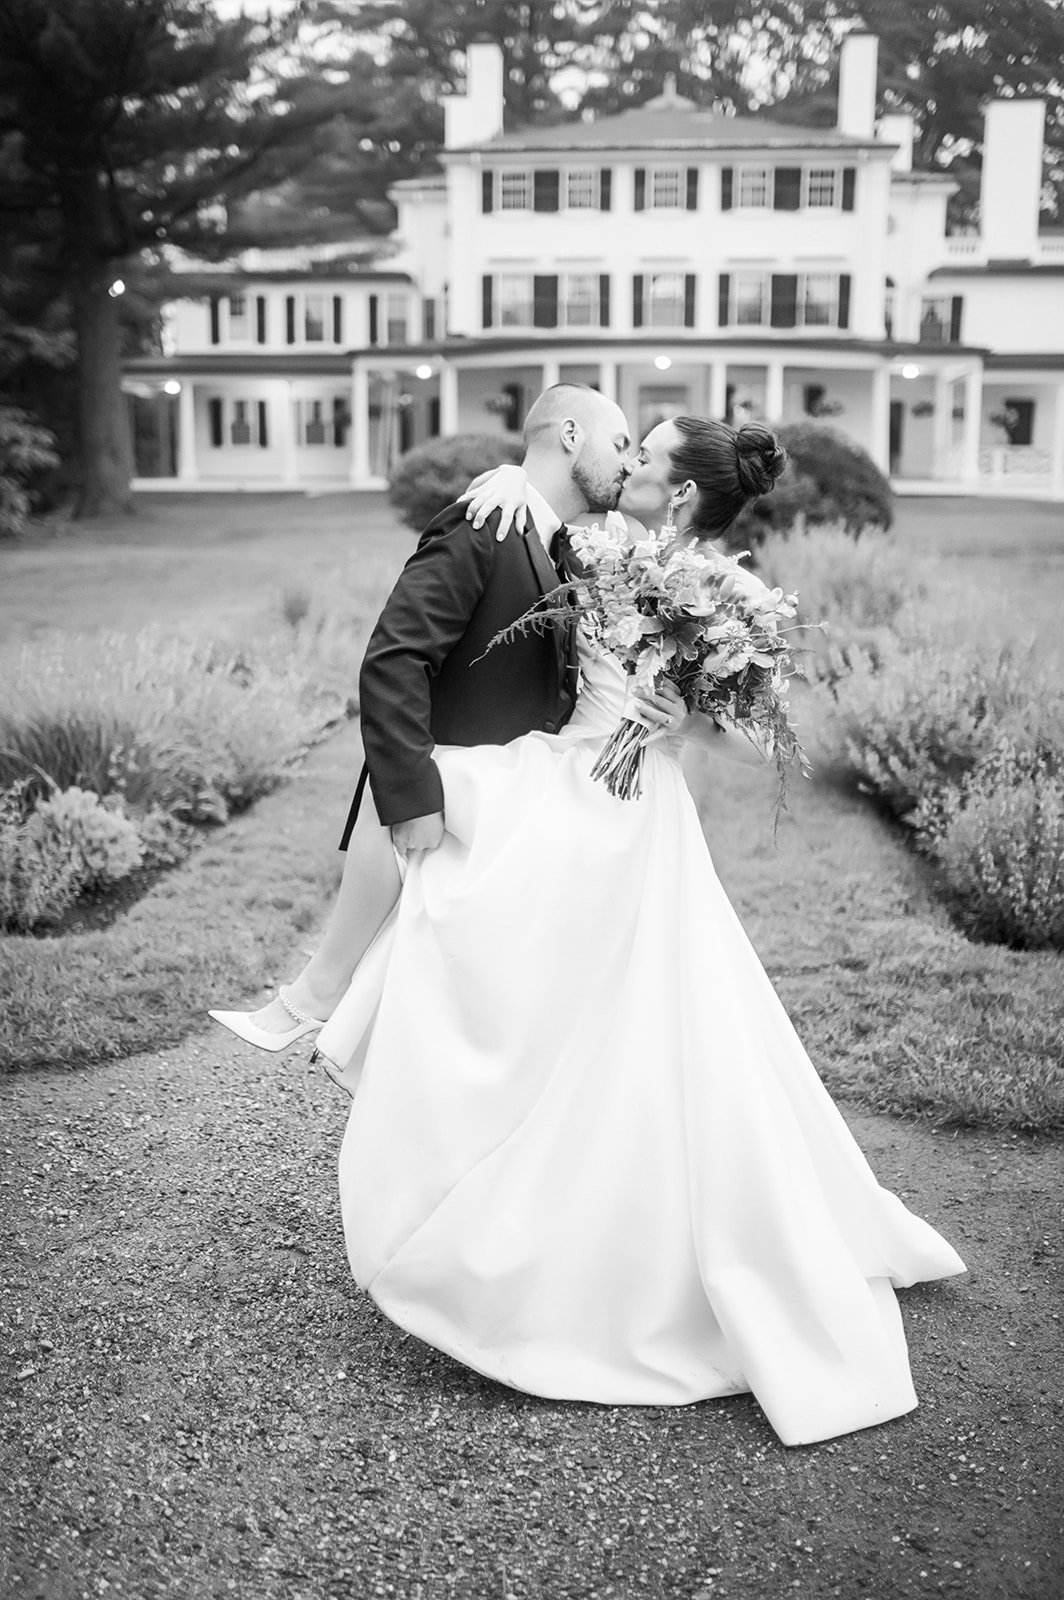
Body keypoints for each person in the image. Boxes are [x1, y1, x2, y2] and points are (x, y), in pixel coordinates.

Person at [315, 412, 966, 1449]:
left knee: (604, 1002)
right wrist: (498, 476)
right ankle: (361, 1020)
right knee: (539, 965)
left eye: (642, 452)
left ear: (677, 488)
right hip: (575, 777)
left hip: (617, 804)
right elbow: (530, 504)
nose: (625, 461)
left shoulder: (707, 584)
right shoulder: (611, 548)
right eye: (624, 444)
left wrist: (687, 723)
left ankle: (547, 1213)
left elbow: (747, 722)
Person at [209, 383, 677, 1050]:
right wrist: (410, 796)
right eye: (620, 442)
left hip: (547, 786)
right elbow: (394, 659)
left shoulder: (568, 548)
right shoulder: (481, 527)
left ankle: (329, 1013)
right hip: (478, 785)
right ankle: (322, 1006)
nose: (629, 462)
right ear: (571, 435)